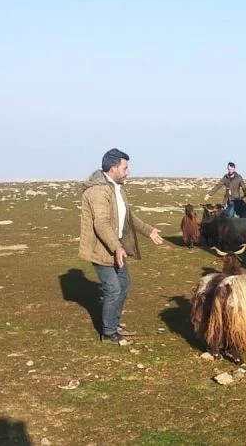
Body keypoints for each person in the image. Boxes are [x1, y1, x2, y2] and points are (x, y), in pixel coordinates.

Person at [78, 148, 164, 345]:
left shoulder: (117, 188)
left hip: (118, 249)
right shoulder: (98, 191)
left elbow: (127, 217)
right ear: (113, 168)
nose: (128, 172)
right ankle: (108, 333)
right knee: (113, 289)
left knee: (124, 284)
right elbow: (101, 223)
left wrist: (148, 231)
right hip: (101, 249)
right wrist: (116, 247)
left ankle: (114, 323)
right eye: (125, 167)